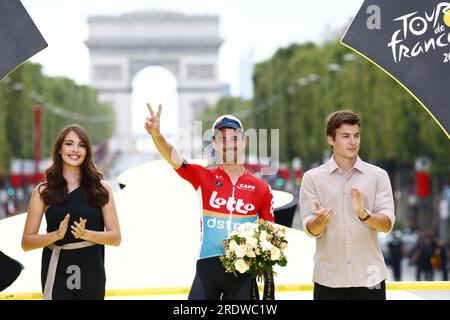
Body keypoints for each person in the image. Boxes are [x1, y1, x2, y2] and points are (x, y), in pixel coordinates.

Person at [144, 104, 274, 300]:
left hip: (243, 273)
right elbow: (175, 159)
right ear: (214, 144)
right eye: (222, 139)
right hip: (207, 268)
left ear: (245, 141)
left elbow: (268, 237)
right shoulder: (203, 177)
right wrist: (156, 136)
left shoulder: (261, 188)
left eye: (234, 138)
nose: (228, 144)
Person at [299, 110, 395, 300]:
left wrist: (364, 214)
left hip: (371, 276)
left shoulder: (378, 176)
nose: (353, 141)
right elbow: (311, 229)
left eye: (356, 136)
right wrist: (320, 221)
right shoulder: (312, 178)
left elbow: (387, 225)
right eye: (345, 136)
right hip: (328, 278)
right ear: (330, 139)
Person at [21, 124, 121, 300]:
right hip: (57, 271)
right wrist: (56, 236)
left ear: (87, 151)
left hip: (92, 274)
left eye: (81, 145)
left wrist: (86, 234)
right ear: (59, 149)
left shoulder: (102, 189)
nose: (75, 149)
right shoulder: (43, 191)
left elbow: (116, 237)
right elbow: (27, 242)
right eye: (69, 144)